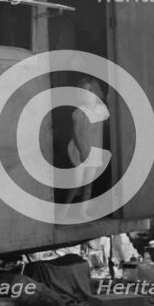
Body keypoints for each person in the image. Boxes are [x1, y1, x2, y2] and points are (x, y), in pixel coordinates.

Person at [64, 77, 110, 211]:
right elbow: (76, 132)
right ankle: (65, 209)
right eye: (83, 91)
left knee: (89, 183)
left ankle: (83, 212)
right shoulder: (80, 111)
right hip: (80, 151)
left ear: (96, 93)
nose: (86, 94)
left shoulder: (102, 110)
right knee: (77, 182)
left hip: (95, 151)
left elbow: (107, 123)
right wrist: (83, 151)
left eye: (89, 91)